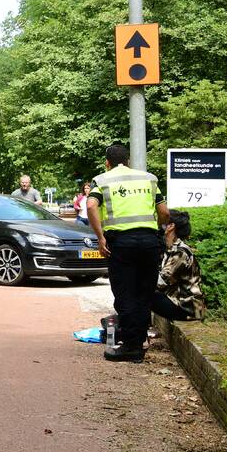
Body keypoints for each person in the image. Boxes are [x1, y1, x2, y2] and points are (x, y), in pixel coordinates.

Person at [86, 144, 170, 363]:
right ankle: (139, 341)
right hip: (150, 242)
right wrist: (157, 229)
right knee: (144, 294)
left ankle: (131, 347)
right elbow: (164, 212)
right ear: (129, 161)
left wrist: (101, 237)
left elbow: (91, 205)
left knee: (125, 294)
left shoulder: (102, 180)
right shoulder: (149, 179)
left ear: (108, 162)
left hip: (121, 244)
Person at [152, 210, 206, 321]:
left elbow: (161, 282)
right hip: (178, 302)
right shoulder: (170, 249)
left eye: (162, 222)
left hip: (188, 308)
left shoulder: (181, 252)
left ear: (171, 226)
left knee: (142, 296)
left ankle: (134, 333)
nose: (158, 224)